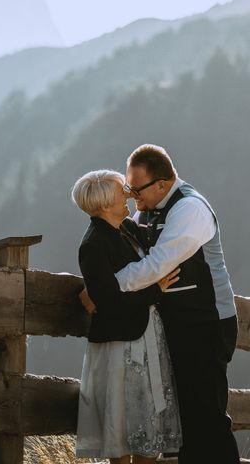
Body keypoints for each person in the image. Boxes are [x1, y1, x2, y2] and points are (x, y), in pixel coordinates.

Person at [83, 144, 240, 463]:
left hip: (206, 323)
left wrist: (106, 287)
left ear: (162, 184)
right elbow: (124, 253)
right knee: (184, 422)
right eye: (128, 189)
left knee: (207, 417)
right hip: (178, 326)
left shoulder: (189, 210)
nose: (131, 196)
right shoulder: (147, 210)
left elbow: (156, 265)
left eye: (135, 189)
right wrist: (96, 284)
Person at [71, 169, 183, 464]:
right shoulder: (93, 243)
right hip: (119, 346)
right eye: (124, 191)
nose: (129, 195)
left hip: (142, 337)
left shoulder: (126, 229)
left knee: (147, 429)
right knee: (121, 430)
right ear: (106, 204)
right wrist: (155, 291)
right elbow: (108, 302)